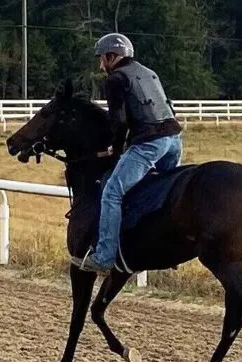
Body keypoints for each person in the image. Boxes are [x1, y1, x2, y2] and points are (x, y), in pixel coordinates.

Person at [72, 32, 184, 274]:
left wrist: (116, 150)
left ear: (112, 57)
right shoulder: (147, 71)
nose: (101, 65)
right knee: (162, 193)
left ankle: (103, 257)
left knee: (112, 192)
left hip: (149, 143)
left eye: (102, 59)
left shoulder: (116, 79)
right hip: (174, 141)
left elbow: (119, 121)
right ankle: (169, 248)